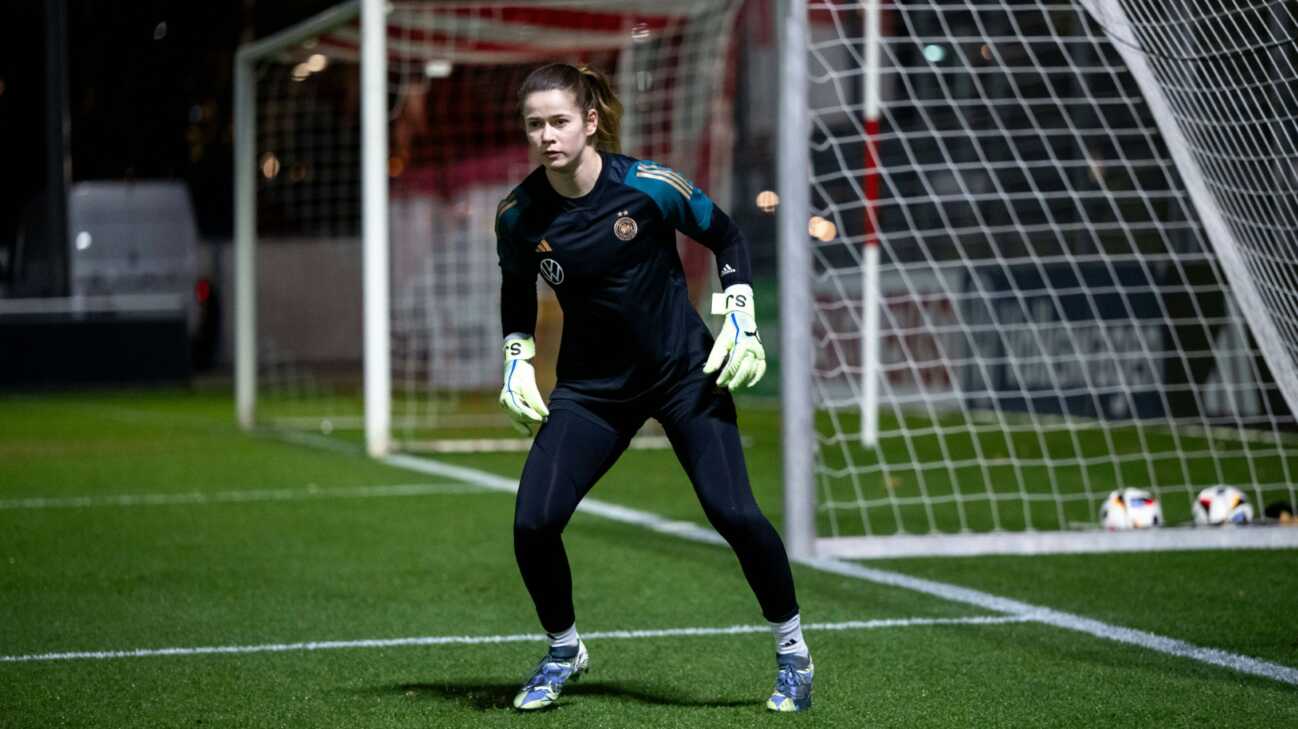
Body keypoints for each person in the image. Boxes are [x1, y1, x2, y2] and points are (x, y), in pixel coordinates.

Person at [494, 63, 813, 713]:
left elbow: (724, 233)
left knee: (735, 513)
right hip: (591, 390)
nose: (547, 136)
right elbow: (514, 290)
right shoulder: (520, 215)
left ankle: (793, 653)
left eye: (559, 121)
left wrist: (742, 319)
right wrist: (516, 358)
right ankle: (563, 648)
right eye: (535, 124)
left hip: (682, 375)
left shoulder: (647, 185)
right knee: (534, 521)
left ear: (589, 122)